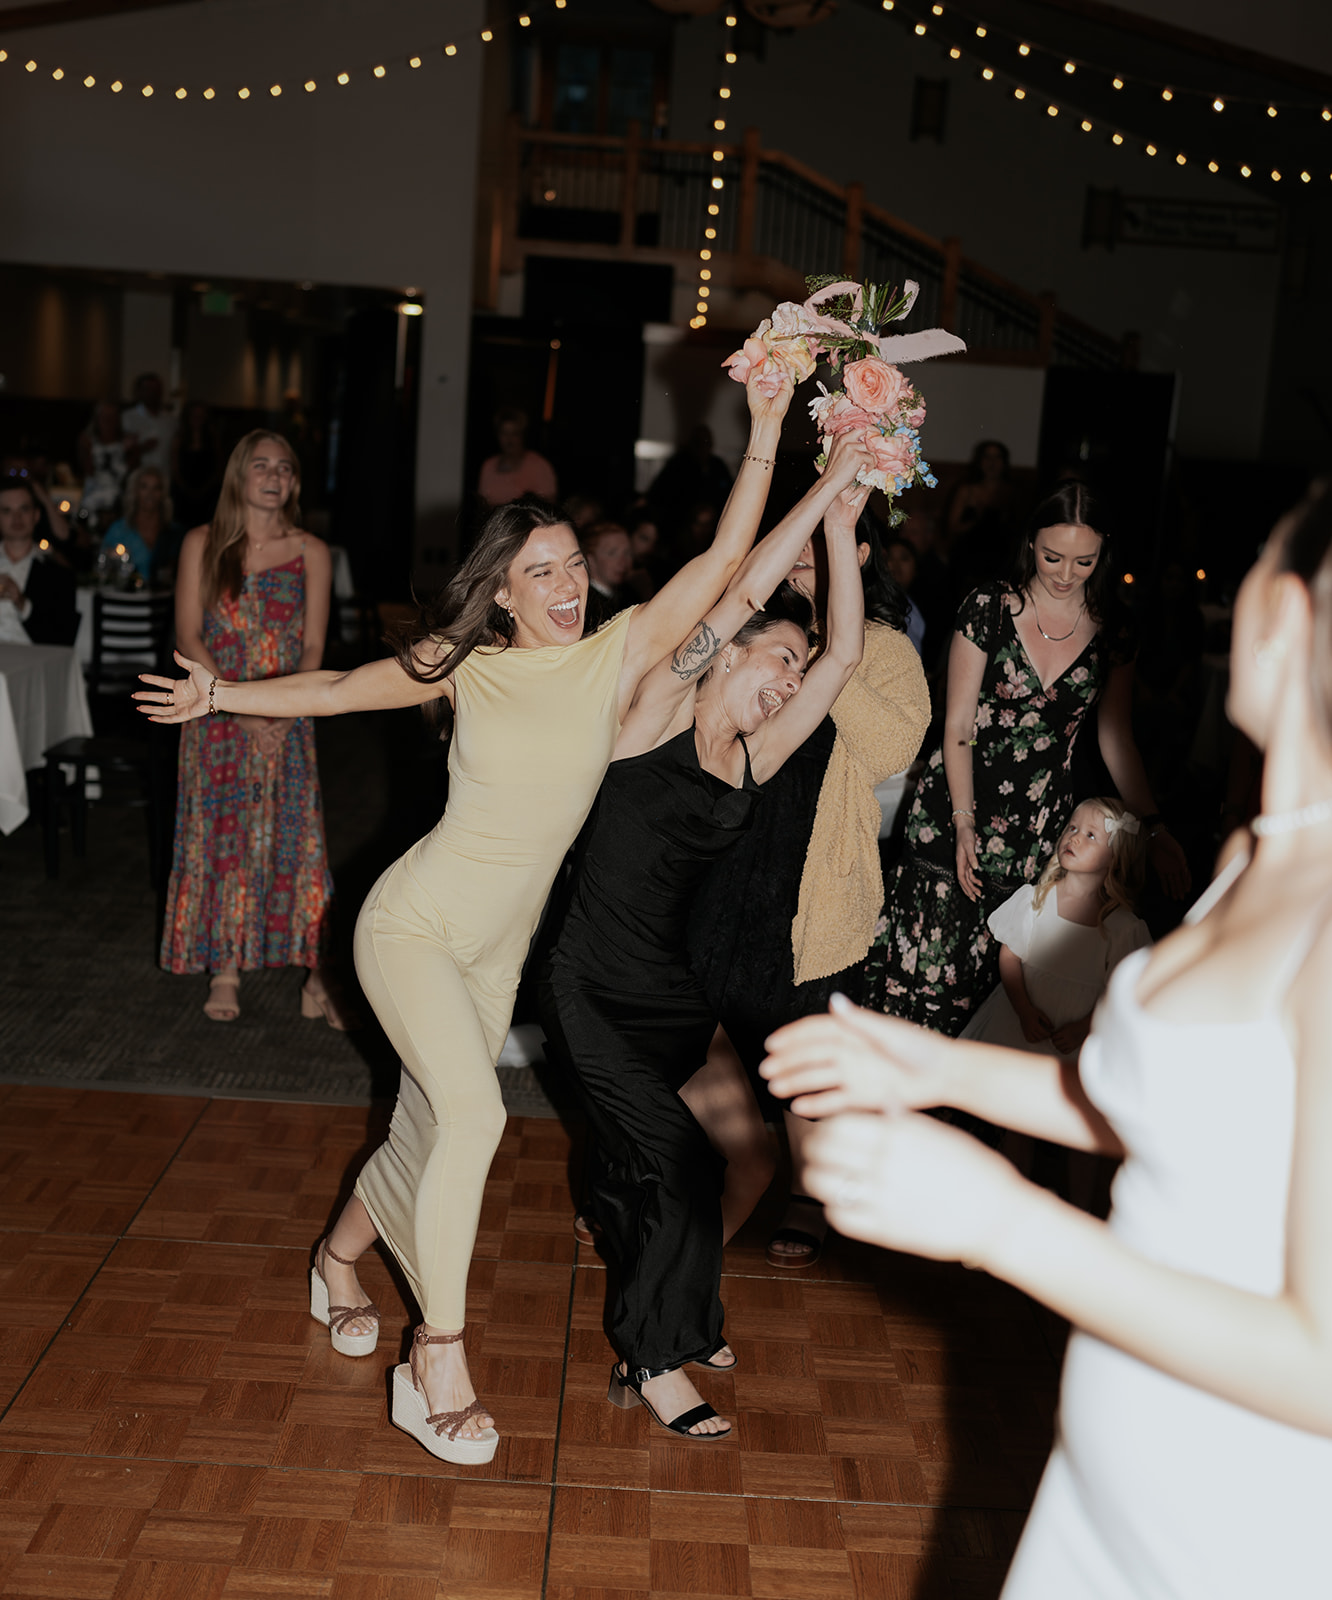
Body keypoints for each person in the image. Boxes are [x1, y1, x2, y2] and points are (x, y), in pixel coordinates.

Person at [137, 370, 798, 1466]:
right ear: (502, 590)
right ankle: (433, 1358)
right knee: (476, 1117)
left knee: (420, 1130)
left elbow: (724, 559)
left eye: (575, 565)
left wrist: (767, 429)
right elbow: (343, 688)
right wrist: (222, 695)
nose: (568, 584)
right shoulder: (467, 665)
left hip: (494, 957)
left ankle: (335, 1263)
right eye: (540, 572)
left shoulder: (614, 657)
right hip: (410, 928)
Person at [761, 480, 1332, 1600]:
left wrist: (997, 1217)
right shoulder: (1256, 855)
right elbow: (1158, 1108)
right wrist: (927, 1061)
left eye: (1260, 560)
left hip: (1232, 1515)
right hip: (1110, 1469)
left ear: (1288, 620)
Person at [539, 432, 874, 1441]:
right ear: (729, 650)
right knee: (684, 1163)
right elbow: (739, 582)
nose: (790, 677)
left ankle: (647, 1250)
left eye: (795, 666)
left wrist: (850, 531)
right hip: (590, 986)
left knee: (748, 1153)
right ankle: (657, 1353)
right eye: (779, 655)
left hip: (668, 990)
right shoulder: (653, 715)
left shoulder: (757, 750)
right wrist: (823, 486)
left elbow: (847, 655)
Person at [686, 510, 931, 1270]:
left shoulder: (884, 649)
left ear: (860, 551)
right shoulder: (762, 634)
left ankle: (808, 1193)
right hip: (728, 865)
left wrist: (838, 659)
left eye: (822, 550)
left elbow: (892, 748)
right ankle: (678, 1180)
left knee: (804, 1057)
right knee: (691, 1033)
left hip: (816, 883)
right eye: (794, 551)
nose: (802, 568)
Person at [865, 482, 1190, 1036]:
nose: (1066, 573)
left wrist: (1153, 827)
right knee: (931, 966)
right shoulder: (989, 606)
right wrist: (964, 823)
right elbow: (958, 724)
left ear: (1103, 553)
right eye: (1052, 556)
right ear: (1030, 543)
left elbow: (1117, 740)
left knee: (1003, 972)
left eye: (1084, 561)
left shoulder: (1115, 631)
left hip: (1037, 824)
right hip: (953, 808)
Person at [158, 431, 340, 1026]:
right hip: (210, 713)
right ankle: (226, 966)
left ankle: (320, 973)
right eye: (260, 465)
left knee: (297, 837)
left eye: (284, 468)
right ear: (238, 475)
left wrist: (281, 714)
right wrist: (232, 707)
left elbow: (313, 644)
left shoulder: (313, 550)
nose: (273, 475)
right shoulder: (202, 543)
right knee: (222, 838)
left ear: (294, 482)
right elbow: (188, 636)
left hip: (288, 717)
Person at [960, 795, 1150, 1061]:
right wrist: (1024, 1010)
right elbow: (1010, 955)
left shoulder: (1122, 926)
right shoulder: (1037, 899)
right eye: (1073, 828)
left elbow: (1122, 989)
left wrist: (1085, 1028)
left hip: (1075, 1040)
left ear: (1115, 858)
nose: (1074, 838)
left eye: (1090, 835)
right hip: (1018, 1022)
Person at [0, 478, 77, 646]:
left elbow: (62, 639)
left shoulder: (56, 572)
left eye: (24, 509)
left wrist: (22, 604)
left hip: (33, 664)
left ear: (36, 515)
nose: (17, 518)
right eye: (7, 511)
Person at [101, 466, 183, 585]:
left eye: (156, 488)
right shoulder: (118, 530)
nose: (150, 494)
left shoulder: (176, 533)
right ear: (135, 491)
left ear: (163, 493)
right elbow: (103, 568)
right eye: (144, 487)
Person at [476, 406, 557, 506]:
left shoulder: (540, 466)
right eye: (504, 433)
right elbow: (481, 505)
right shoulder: (488, 466)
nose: (509, 439)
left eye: (515, 433)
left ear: (523, 435)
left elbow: (549, 507)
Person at [79, 401, 137, 533]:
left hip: (119, 498)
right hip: (94, 496)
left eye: (112, 416)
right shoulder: (87, 440)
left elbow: (133, 471)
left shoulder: (127, 440)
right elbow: (88, 470)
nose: (108, 420)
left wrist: (132, 450)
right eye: (104, 416)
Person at [172, 401, 224, 531]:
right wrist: (185, 489)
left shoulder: (213, 438)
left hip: (208, 492)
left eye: (201, 416)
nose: (197, 419)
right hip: (183, 492)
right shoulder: (180, 438)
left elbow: (219, 467)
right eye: (194, 415)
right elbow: (175, 467)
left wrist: (205, 489)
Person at [121, 373, 175, 475]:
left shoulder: (172, 420)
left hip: (165, 477)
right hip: (137, 479)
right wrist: (141, 448)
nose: (153, 393)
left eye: (156, 389)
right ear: (139, 392)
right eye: (148, 389)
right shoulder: (127, 418)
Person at [582, 522, 634, 616]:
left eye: (627, 553)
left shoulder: (629, 595)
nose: (623, 561)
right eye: (612, 553)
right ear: (590, 559)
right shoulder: (587, 605)